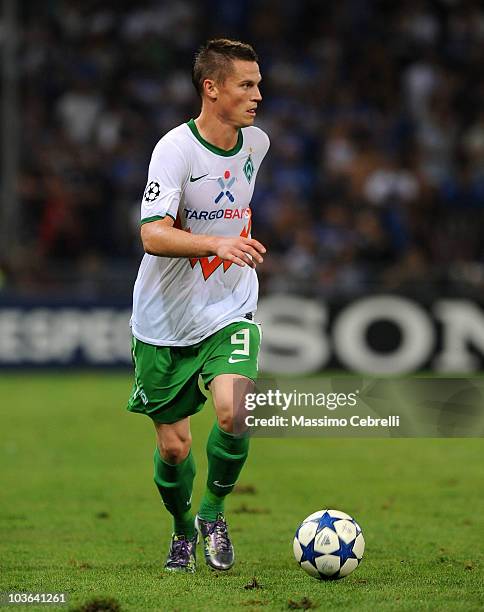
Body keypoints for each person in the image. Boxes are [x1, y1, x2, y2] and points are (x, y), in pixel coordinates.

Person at [126, 38, 270, 573]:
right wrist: (217, 243)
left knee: (234, 409)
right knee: (174, 450)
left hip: (230, 303)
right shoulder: (175, 150)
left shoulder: (257, 143)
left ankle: (212, 513)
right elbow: (152, 236)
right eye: (246, 84)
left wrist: (234, 243)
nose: (258, 94)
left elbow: (231, 207)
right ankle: (182, 531)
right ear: (212, 89)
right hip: (163, 318)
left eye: (258, 83)